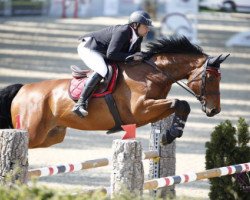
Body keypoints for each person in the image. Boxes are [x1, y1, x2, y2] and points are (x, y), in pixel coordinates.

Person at [72, 10, 153, 118]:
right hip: (89, 48)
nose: (148, 29)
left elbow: (134, 55)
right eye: (145, 26)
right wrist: (132, 57)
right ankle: (80, 103)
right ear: (135, 25)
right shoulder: (123, 31)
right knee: (103, 70)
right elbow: (112, 54)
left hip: (103, 51)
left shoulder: (139, 37)